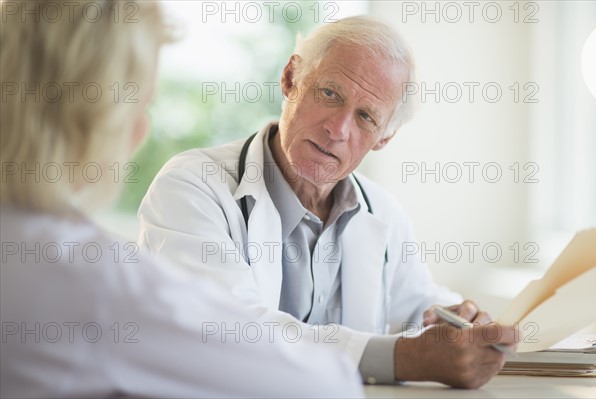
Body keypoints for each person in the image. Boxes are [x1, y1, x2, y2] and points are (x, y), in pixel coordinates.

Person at [0, 2, 364, 397]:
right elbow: (326, 385)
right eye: (142, 104)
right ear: (103, 115)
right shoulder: (89, 282)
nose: (142, 126)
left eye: (366, 116)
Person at [138, 15, 519, 389]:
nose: (337, 129)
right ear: (291, 78)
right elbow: (229, 331)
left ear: (384, 137)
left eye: (366, 116)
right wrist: (404, 359)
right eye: (330, 93)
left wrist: (462, 327)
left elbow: (418, 308)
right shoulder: (191, 186)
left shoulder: (383, 213)